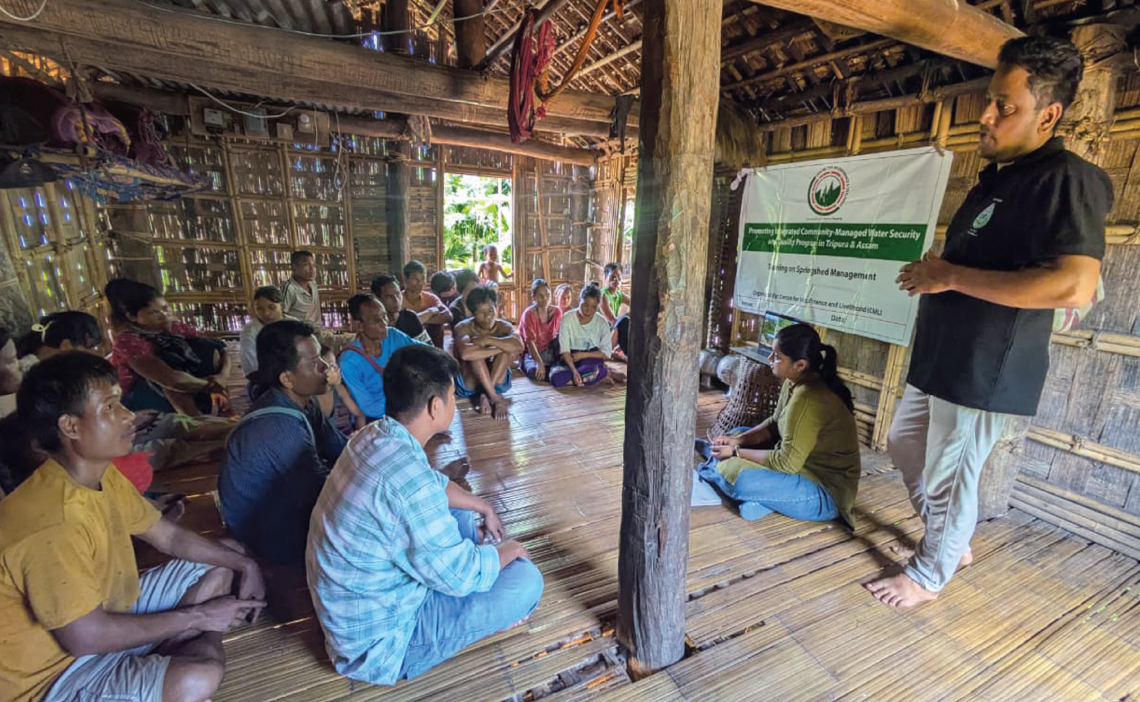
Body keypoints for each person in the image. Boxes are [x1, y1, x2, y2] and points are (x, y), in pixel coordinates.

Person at [868, 37, 1111, 609]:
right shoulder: (995, 181)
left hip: (988, 363)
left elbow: (1072, 283)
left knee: (953, 474)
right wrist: (939, 272)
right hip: (944, 355)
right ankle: (950, 539)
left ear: (1048, 115)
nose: (987, 115)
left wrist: (949, 277)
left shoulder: (1068, 179)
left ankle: (929, 575)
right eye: (990, 100)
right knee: (905, 446)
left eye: (1005, 105)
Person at [0, 352, 266, 702]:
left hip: (112, 612)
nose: (127, 416)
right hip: (55, 677)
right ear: (70, 427)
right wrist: (199, 616)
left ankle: (166, 654)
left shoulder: (96, 474)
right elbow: (85, 638)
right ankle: (181, 652)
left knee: (228, 555)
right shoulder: (49, 523)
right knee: (197, 678)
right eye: (110, 407)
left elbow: (167, 535)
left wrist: (245, 565)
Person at [306, 344, 543, 686]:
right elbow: (462, 576)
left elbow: (432, 484)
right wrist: (510, 550)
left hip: (358, 602)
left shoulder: (373, 435)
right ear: (435, 407)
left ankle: (469, 580)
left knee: (459, 513)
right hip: (381, 643)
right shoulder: (407, 480)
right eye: (451, 395)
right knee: (526, 581)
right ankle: (479, 620)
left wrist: (484, 506)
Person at [13, 311, 234, 473]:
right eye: (90, 348)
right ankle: (235, 440)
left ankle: (240, 428)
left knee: (169, 423)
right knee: (165, 447)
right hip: (91, 451)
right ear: (65, 345)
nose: (97, 354)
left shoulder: (59, 373)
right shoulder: (34, 383)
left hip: (99, 436)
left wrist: (126, 418)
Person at [695, 324, 861, 525]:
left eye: (777, 357)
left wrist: (736, 452)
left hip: (823, 492)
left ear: (799, 364)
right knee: (737, 432)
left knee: (741, 479)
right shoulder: (795, 381)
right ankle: (761, 498)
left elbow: (786, 462)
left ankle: (723, 472)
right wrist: (737, 440)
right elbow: (774, 423)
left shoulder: (808, 398)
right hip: (796, 465)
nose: (770, 360)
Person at [218, 320, 348, 564]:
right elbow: (321, 493)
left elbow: (339, 448)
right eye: (314, 362)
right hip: (266, 536)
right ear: (287, 378)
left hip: (285, 508)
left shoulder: (303, 402)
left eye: (321, 356)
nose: (325, 366)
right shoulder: (278, 427)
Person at [106, 279, 230, 416]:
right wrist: (211, 385)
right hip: (140, 400)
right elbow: (171, 380)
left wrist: (222, 377)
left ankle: (225, 411)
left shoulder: (174, 327)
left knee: (206, 348)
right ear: (132, 317)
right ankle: (196, 421)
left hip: (186, 387)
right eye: (153, 313)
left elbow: (221, 348)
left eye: (165, 308)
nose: (164, 315)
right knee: (169, 362)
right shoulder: (128, 341)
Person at [339, 294, 424, 422]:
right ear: (359, 325)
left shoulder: (394, 336)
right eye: (376, 320)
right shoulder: (349, 362)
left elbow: (426, 352)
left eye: (384, 316)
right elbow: (368, 407)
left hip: (403, 408)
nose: (384, 323)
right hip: (376, 419)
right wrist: (406, 411)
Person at [452, 286, 522, 419]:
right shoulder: (463, 327)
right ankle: (494, 398)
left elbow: (519, 346)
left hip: (498, 382)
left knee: (505, 351)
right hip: (470, 384)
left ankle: (486, 393)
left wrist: (488, 340)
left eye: (490, 310)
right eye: (481, 312)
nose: (488, 316)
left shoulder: (504, 327)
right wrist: (499, 347)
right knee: (476, 354)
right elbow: (466, 354)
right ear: (472, 313)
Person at [550, 283, 617, 388]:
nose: (588, 310)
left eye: (593, 307)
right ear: (579, 301)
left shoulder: (602, 322)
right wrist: (574, 371)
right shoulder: (567, 319)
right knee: (555, 378)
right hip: (571, 359)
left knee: (592, 369)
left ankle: (589, 376)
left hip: (591, 358)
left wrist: (582, 355)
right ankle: (595, 377)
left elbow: (606, 353)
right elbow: (565, 351)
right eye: (585, 305)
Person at [518, 279, 563, 382]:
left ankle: (553, 370)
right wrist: (539, 362)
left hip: (550, 351)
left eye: (547, 294)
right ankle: (553, 371)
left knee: (560, 339)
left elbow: (559, 336)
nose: (545, 298)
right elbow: (530, 342)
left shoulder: (557, 312)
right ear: (533, 298)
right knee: (533, 373)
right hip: (532, 354)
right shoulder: (529, 314)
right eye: (540, 295)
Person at [317, 344, 367, 433]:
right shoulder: (315, 394)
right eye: (330, 366)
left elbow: (359, 414)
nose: (336, 369)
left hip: (349, 433)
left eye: (335, 364)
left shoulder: (339, 388)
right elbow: (325, 424)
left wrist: (361, 433)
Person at [371, 273, 432, 344]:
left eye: (398, 294)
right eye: (389, 296)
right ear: (377, 298)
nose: (396, 300)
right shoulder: (372, 324)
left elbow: (427, 346)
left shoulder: (410, 318)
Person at [402, 260, 451, 348]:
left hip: (433, 347)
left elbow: (448, 316)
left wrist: (419, 322)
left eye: (423, 278)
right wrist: (429, 313)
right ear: (405, 279)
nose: (420, 282)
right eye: (415, 279)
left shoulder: (431, 298)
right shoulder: (398, 300)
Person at [239, 285, 284, 379]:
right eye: (259, 309)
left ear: (282, 305)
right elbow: (251, 369)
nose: (266, 313)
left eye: (271, 307)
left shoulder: (293, 324)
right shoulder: (250, 331)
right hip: (263, 380)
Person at [281, 250, 322, 328]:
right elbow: (280, 315)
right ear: (294, 267)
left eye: (313, 265)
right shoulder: (289, 288)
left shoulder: (313, 285)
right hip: (298, 334)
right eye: (306, 265)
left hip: (316, 331)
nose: (312, 269)